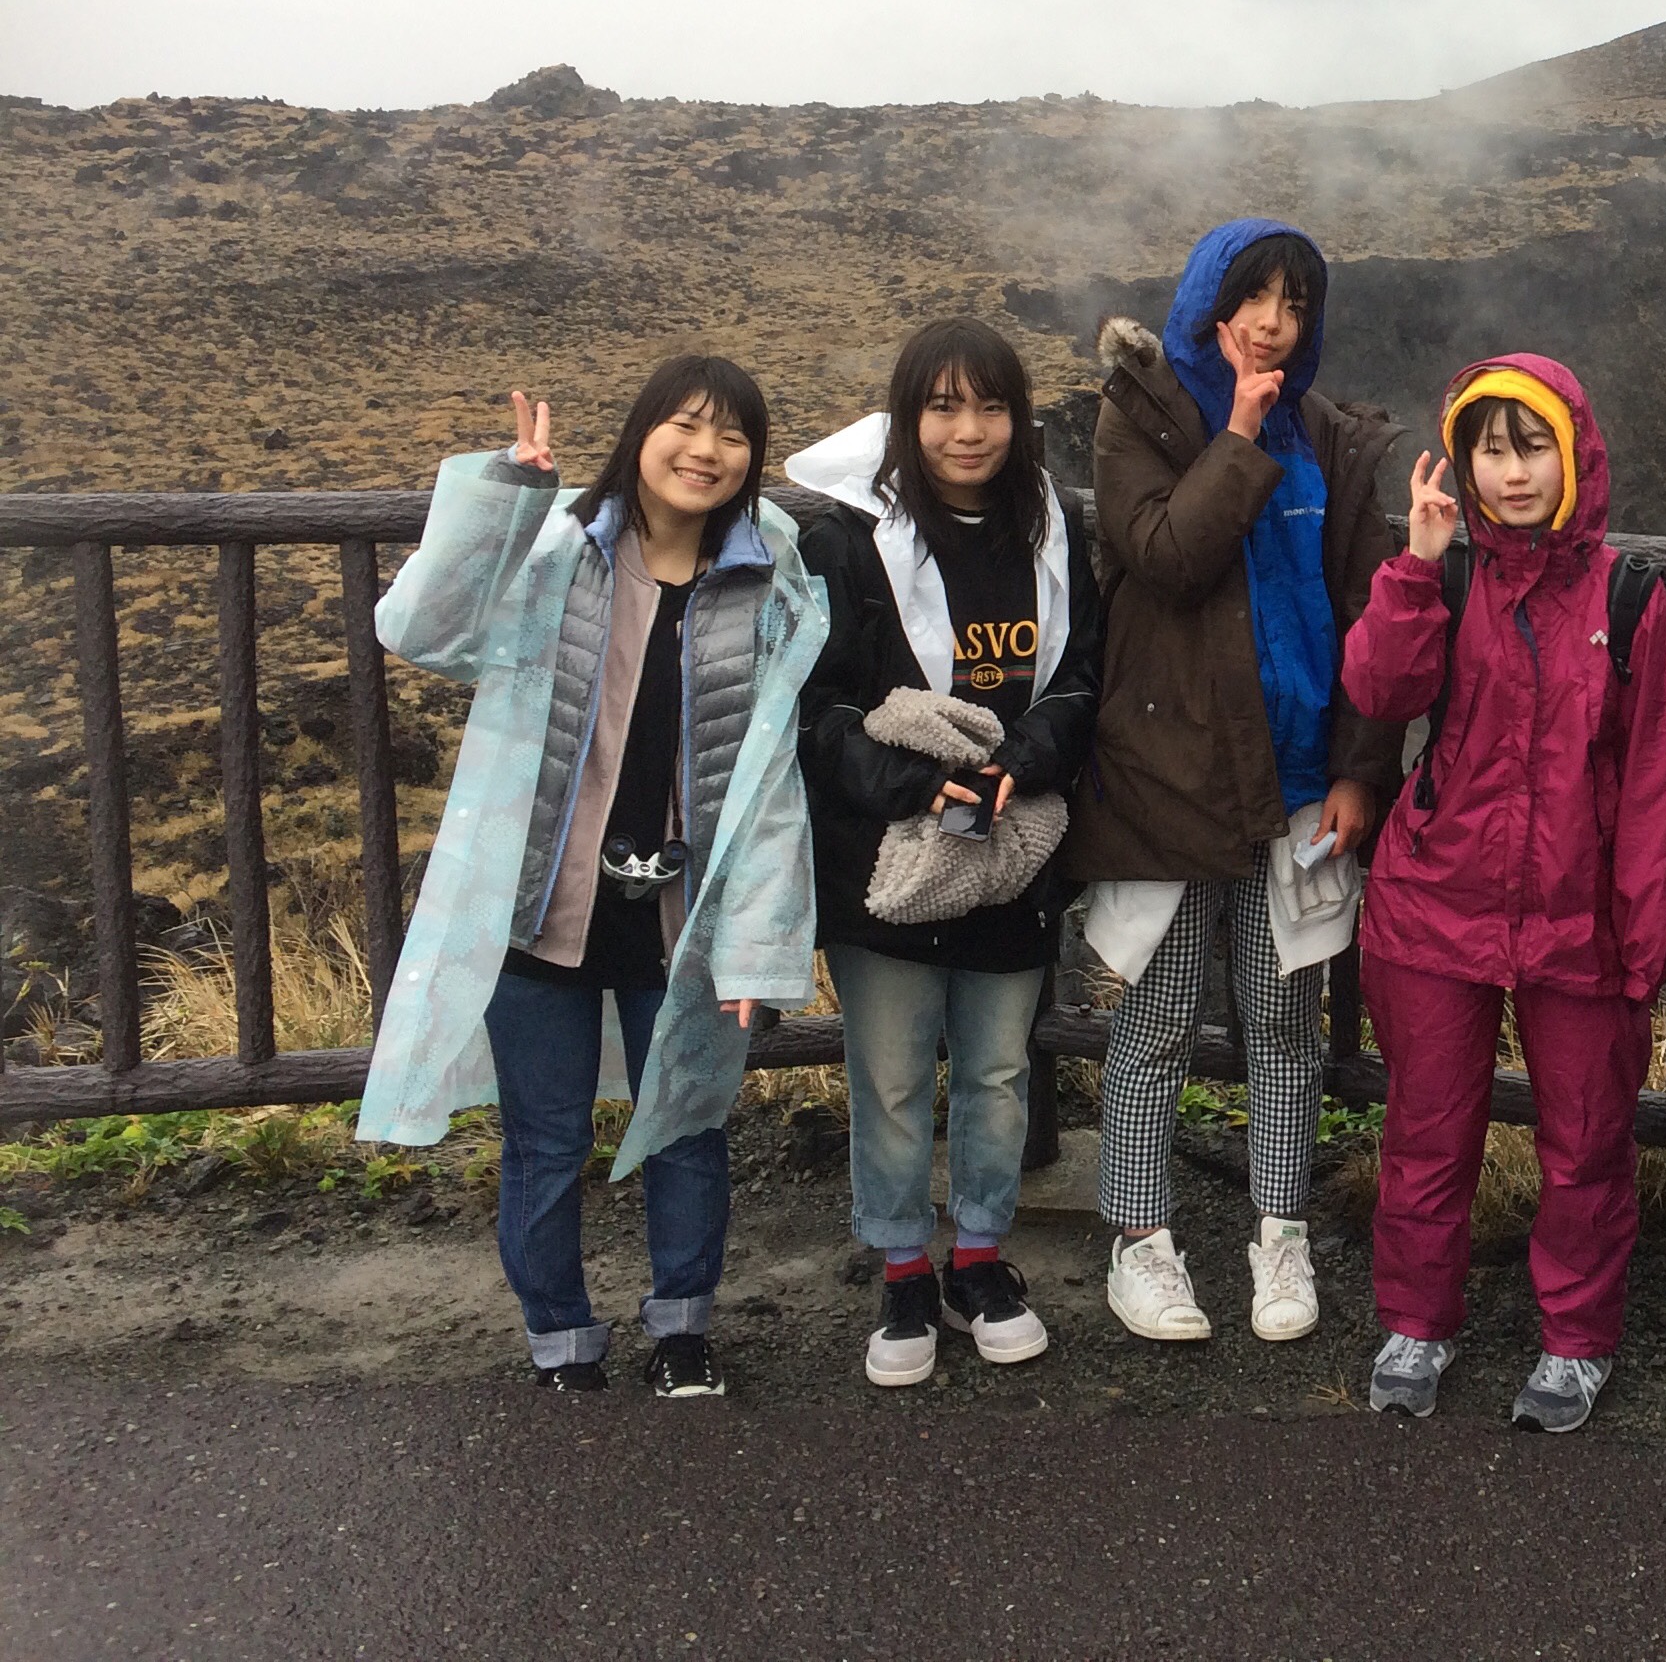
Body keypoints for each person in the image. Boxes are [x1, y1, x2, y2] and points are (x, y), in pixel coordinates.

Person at [357, 357, 824, 1398]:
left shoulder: (769, 572)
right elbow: (421, 632)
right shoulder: (558, 543)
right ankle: (560, 1334)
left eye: (733, 436)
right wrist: (506, 501)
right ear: (642, 432)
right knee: (547, 1135)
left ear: (752, 460)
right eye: (686, 425)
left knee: (687, 1126)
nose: (706, 451)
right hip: (542, 905)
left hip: (682, 916)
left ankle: (683, 1328)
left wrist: (759, 939)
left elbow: (770, 783)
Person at [1337, 356, 1666, 1433]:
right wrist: (1414, 566)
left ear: (1574, 455)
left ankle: (1576, 1340)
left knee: (1587, 1142)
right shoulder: (1446, 579)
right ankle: (1417, 1321)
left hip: (1577, 922)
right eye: (1490, 450)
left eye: (1530, 446)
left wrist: (1643, 943)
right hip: (1435, 904)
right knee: (1425, 1130)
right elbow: (1378, 688)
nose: (1510, 473)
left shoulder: (1629, 600)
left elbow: (1657, 788)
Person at [1068, 219, 1403, 1344]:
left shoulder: (1326, 438)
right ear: (1209, 303)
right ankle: (1139, 1241)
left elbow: (1362, 614)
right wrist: (1240, 434)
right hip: (1169, 774)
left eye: (1294, 304)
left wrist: (1360, 768)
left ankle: (1281, 1234)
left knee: (1281, 1022)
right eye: (1254, 296)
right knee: (1157, 1021)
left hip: (1301, 777)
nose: (1274, 321)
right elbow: (1165, 556)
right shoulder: (1143, 413)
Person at [786, 318, 1102, 1388]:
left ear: (1022, 420)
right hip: (891, 858)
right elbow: (818, 710)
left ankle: (979, 1258)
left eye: (993, 407)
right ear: (905, 417)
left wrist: (1027, 755)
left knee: (1000, 1070)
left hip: (1007, 846)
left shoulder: (1051, 535)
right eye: (943, 407)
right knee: (887, 1075)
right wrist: (919, 782)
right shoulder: (847, 541)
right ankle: (902, 1270)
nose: (970, 431)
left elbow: (1078, 682)